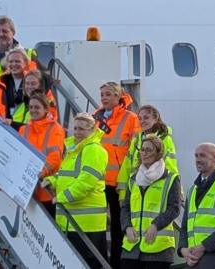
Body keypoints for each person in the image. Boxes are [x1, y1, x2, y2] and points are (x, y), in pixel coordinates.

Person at [45, 113, 108, 268]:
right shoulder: (76, 149)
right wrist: (52, 180)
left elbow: (86, 182)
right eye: (75, 128)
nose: (77, 132)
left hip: (87, 223)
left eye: (82, 129)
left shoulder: (94, 150)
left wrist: (62, 197)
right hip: (73, 220)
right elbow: (66, 174)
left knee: (89, 263)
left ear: (92, 130)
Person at [93, 81, 141, 269]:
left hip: (118, 182)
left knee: (117, 226)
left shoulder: (130, 118)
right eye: (102, 94)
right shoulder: (96, 117)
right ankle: (100, 260)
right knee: (97, 223)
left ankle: (116, 263)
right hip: (98, 179)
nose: (104, 98)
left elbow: (135, 147)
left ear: (117, 97)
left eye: (107, 94)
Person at [120, 134, 181, 269]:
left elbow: (174, 208)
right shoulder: (133, 178)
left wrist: (155, 225)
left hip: (158, 248)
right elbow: (125, 208)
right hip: (132, 246)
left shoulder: (171, 178)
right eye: (142, 149)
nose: (144, 153)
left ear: (159, 153)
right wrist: (127, 227)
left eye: (149, 150)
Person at [117, 105, 179, 202]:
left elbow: (170, 166)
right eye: (140, 118)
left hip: (157, 187)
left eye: (146, 118)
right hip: (136, 187)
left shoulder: (165, 139)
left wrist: (177, 190)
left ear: (155, 119)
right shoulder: (137, 140)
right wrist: (122, 194)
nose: (142, 121)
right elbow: (127, 166)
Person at [18, 92, 64, 215]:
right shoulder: (23, 129)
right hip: (27, 189)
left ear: (46, 109)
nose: (33, 110)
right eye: (31, 107)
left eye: (37, 107)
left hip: (46, 189)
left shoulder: (55, 129)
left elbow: (55, 158)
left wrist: (41, 173)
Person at [0, 47, 30, 123]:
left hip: (25, 131)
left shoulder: (34, 82)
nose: (13, 64)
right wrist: (0, 122)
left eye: (17, 61)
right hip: (4, 129)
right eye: (11, 61)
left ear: (25, 63)